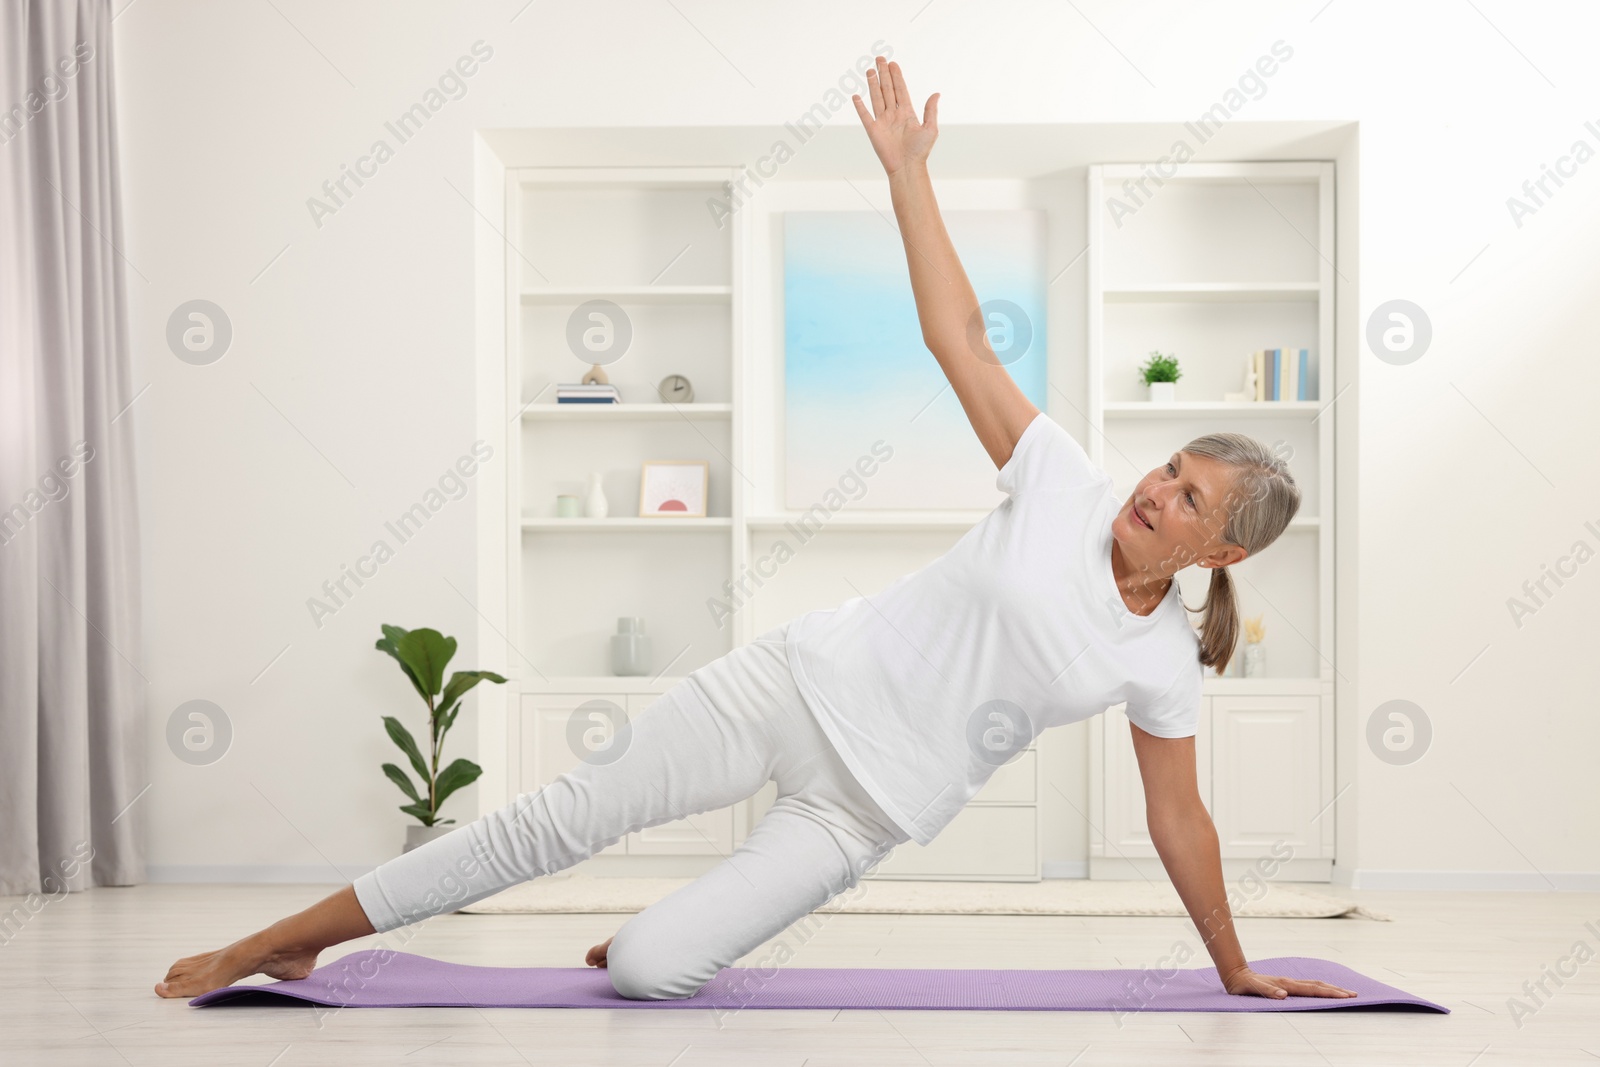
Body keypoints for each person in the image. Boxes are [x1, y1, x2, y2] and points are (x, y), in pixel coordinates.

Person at [156, 56, 1357, 1005]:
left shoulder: (1159, 660)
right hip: (790, 684)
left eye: (1190, 499)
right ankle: (282, 938)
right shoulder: (1061, 477)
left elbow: (1178, 818)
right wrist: (904, 173)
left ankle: (637, 930)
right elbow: (961, 341)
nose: (1156, 490)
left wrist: (1230, 966)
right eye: (1170, 466)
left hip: (866, 810)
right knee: (554, 821)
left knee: (649, 970)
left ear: (1222, 554)